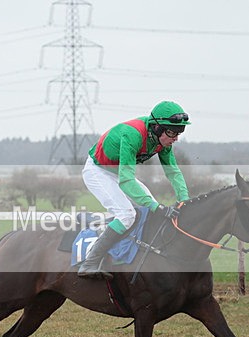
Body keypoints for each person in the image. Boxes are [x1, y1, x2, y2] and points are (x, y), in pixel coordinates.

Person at [77, 100, 191, 279]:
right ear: (156, 128)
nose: (176, 138)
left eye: (180, 132)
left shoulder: (163, 142)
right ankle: (90, 263)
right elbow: (126, 181)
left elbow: (173, 172)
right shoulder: (133, 135)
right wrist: (157, 206)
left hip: (118, 172)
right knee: (127, 215)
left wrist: (185, 199)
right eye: (172, 132)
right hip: (97, 171)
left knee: (149, 211)